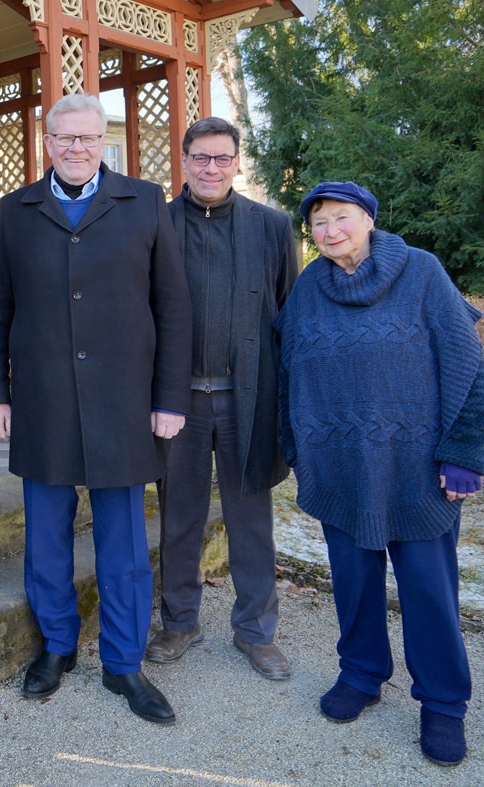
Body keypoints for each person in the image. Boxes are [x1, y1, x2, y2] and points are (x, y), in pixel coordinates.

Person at [0, 93, 192, 724]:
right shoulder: (17, 211)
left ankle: (124, 665)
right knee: (45, 538)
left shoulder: (145, 202)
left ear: (105, 141)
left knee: (124, 544)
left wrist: (169, 400)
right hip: (43, 400)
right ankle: (56, 648)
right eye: (62, 138)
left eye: (87, 138)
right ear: (46, 143)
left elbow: (174, 309)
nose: (75, 148)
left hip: (125, 402)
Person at [276, 181, 484, 766]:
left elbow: (467, 366)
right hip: (339, 466)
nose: (330, 231)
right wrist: (293, 447)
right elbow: (285, 372)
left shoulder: (421, 272)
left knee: (428, 588)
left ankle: (443, 703)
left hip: (418, 469)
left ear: (369, 218)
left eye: (341, 218)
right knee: (353, 580)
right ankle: (363, 673)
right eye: (318, 224)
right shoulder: (308, 290)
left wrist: (464, 453)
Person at [147, 117, 298, 679]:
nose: (212, 168)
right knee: (179, 518)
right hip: (175, 401)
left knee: (250, 520)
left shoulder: (271, 226)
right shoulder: (156, 222)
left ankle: (256, 631)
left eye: (223, 158)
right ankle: (180, 622)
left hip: (248, 399)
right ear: (184, 161)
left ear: (237, 161)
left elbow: (289, 314)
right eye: (201, 158)